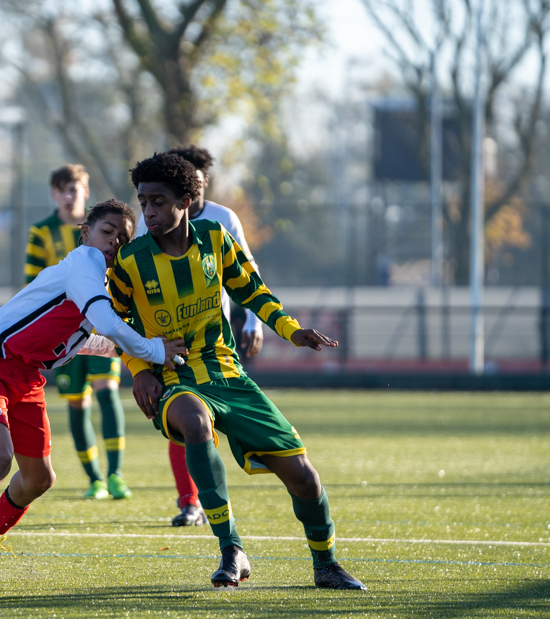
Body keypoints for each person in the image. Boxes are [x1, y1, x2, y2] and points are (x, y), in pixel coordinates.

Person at [109, 153, 366, 590]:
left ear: (186, 201)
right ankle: (231, 548)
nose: (148, 212)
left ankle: (326, 565)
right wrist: (139, 369)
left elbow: (252, 290)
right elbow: (117, 322)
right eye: (143, 202)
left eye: (159, 202)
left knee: (303, 476)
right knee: (194, 422)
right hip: (174, 377)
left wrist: (291, 330)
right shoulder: (131, 261)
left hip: (228, 374)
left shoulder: (215, 237)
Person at [0, 200, 188, 596]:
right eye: (107, 232)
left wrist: (136, 351)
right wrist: (153, 350)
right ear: (86, 233)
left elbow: (90, 338)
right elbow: (108, 323)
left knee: (39, 479)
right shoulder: (85, 263)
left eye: (123, 239)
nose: (114, 242)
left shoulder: (98, 283)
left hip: (28, 378)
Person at [133, 145, 262, 527]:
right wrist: (140, 355)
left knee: (217, 418)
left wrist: (254, 322)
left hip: (214, 338)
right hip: (169, 339)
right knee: (184, 418)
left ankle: (219, 493)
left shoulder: (222, 219)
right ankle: (191, 502)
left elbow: (248, 271)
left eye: (201, 179)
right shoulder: (150, 218)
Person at [26, 165, 131, 500]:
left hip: (99, 326)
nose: (69, 196)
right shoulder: (41, 232)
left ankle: (115, 475)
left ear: (86, 191)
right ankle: (95, 479)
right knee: (77, 403)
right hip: (63, 334)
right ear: (54, 195)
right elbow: (33, 283)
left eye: (75, 189)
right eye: (63, 191)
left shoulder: (104, 228)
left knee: (107, 392)